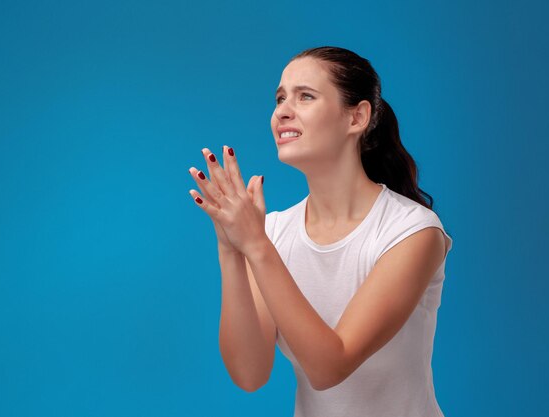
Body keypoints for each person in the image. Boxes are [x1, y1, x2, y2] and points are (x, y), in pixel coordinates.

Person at [188, 46, 453, 417]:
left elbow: (331, 366)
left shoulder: (412, 231)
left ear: (357, 117)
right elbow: (250, 374)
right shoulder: (274, 231)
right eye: (280, 98)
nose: (282, 111)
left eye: (305, 96)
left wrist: (256, 246)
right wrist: (230, 248)